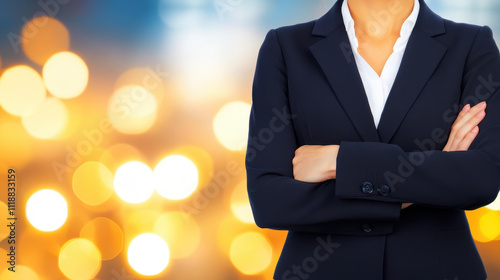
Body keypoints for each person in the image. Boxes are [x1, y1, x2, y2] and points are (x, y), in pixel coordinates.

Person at [245, 0, 500, 279]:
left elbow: (481, 178)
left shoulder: (471, 45)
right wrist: (434, 176)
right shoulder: (285, 47)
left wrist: (339, 161)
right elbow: (269, 200)